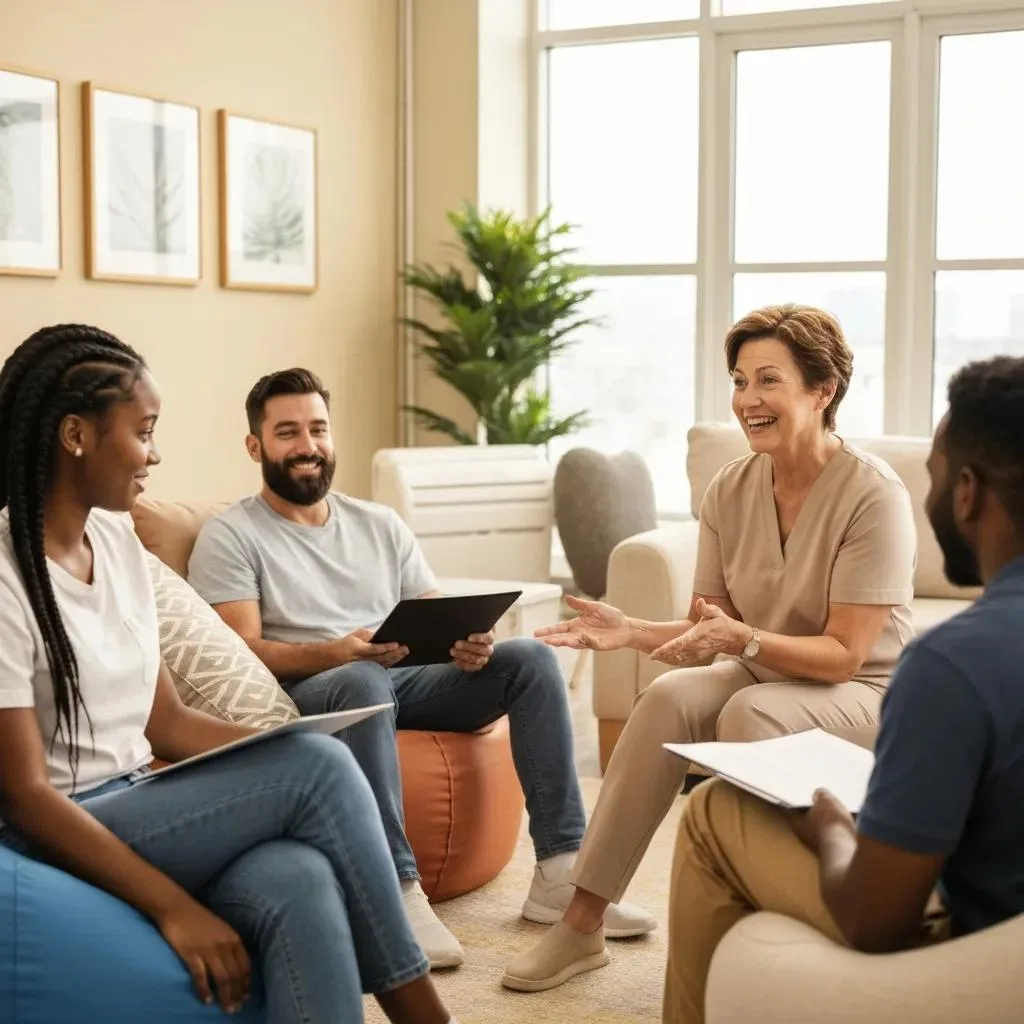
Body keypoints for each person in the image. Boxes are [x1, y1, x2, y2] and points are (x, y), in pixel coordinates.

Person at [0, 325, 456, 1024]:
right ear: (74, 435)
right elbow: (26, 796)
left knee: (297, 875)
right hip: (57, 827)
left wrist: (269, 751)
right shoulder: (5, 577)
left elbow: (169, 725)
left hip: (141, 798)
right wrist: (175, 907)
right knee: (317, 766)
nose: (156, 454)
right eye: (144, 431)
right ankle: (428, 1016)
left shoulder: (118, 541)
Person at [502, 304, 918, 992]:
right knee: (667, 695)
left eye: (769, 381)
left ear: (823, 390)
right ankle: (580, 923)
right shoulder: (731, 487)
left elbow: (845, 654)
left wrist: (746, 639)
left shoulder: (873, 495)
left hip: (867, 693)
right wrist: (634, 632)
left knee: (749, 715)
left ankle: (762, 929)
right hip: (765, 673)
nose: (748, 400)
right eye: (739, 380)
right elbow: (712, 631)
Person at [186, 368, 654, 969]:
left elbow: (433, 617)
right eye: (287, 433)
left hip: (403, 676)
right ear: (256, 447)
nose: (307, 445)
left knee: (530, 660)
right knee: (362, 678)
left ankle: (562, 871)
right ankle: (397, 890)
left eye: (318, 429)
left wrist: (469, 645)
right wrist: (338, 650)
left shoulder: (378, 523)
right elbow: (241, 648)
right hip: (320, 686)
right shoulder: (232, 535)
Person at [661, 354, 1024, 1023]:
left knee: (712, 814)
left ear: (968, 492)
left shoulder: (952, 665)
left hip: (981, 957)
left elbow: (876, 920)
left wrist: (831, 829)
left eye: (937, 476)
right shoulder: (735, 488)